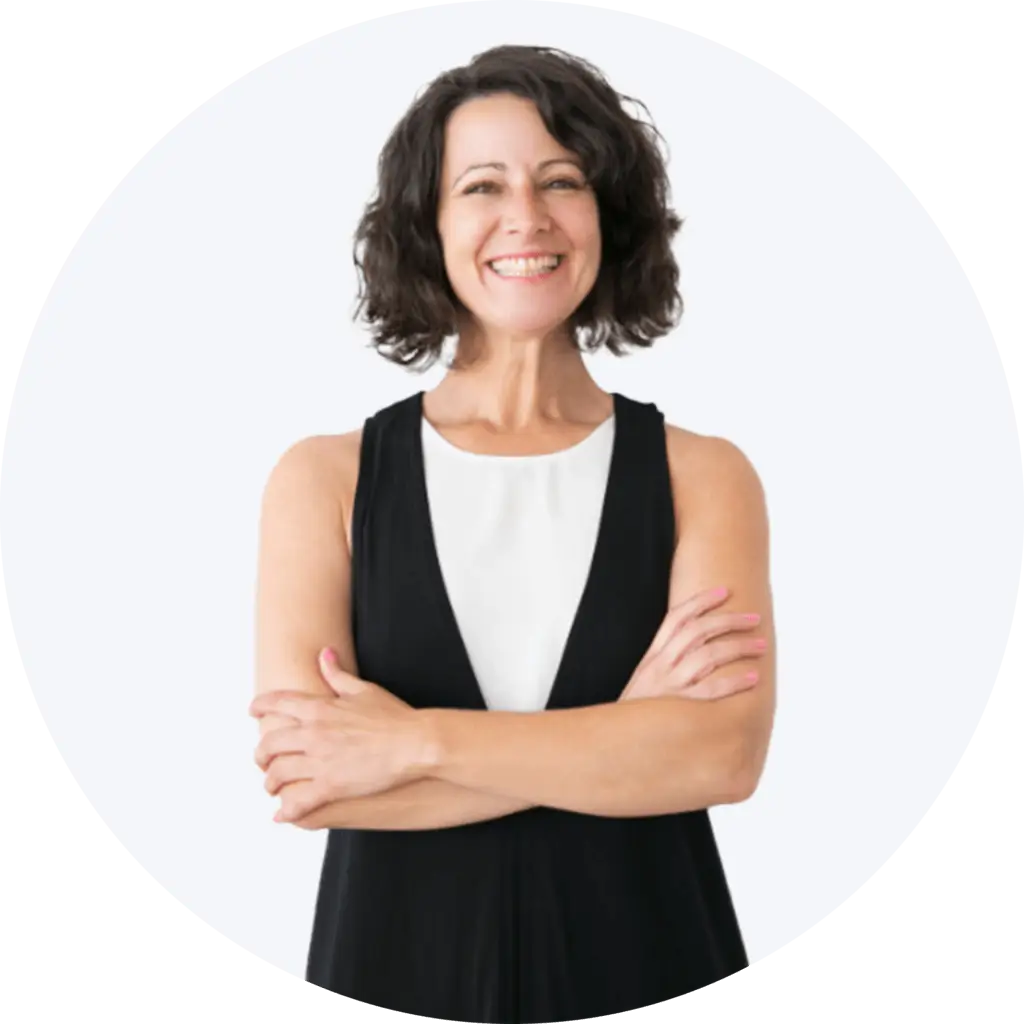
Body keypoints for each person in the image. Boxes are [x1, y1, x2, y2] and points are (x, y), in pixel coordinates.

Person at [249, 44, 776, 1024]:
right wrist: (620, 741)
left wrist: (408, 742)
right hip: (395, 971)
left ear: (606, 215)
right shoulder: (325, 480)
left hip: (651, 963)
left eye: (561, 180)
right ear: (430, 225)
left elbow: (718, 760)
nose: (525, 218)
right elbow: (312, 781)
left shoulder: (703, 475)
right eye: (481, 185)